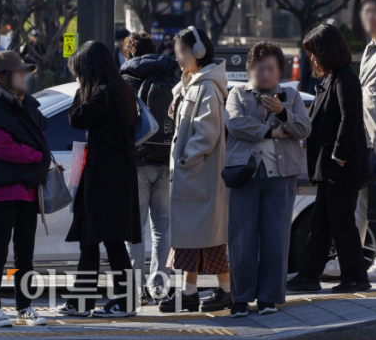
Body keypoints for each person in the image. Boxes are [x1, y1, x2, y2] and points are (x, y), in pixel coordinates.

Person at [55, 40, 141, 318]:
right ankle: (83, 301)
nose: (78, 78)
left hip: (105, 177)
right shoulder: (122, 90)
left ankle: (125, 302)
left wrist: (82, 88)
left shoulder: (104, 93)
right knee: (91, 239)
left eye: (79, 72)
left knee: (106, 239)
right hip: (111, 175)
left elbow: (75, 118)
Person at [225, 42, 311, 318]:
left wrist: (281, 112)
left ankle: (269, 298)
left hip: (281, 177)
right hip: (245, 174)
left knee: (276, 238)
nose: (265, 74)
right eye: (260, 68)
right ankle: (240, 298)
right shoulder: (237, 93)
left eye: (271, 69)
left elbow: (304, 128)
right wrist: (269, 132)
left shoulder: (290, 95)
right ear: (250, 68)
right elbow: (234, 122)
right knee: (241, 239)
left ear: (279, 71)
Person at [287, 24, 371, 294]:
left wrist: (339, 156)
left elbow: (350, 119)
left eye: (314, 53)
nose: (312, 58)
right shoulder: (331, 79)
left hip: (339, 167)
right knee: (322, 223)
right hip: (329, 167)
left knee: (341, 223)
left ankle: (355, 276)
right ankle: (309, 275)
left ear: (326, 51)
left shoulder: (345, 77)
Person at [323, 0, 376, 281]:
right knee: (360, 199)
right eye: (365, 11)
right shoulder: (370, 48)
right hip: (363, 138)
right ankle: (348, 259)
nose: (369, 16)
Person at [158, 27, 231, 314]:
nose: (177, 58)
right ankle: (197, 292)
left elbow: (206, 133)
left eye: (182, 52)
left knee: (201, 239)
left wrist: (188, 160)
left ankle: (210, 292)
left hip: (199, 176)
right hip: (195, 178)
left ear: (198, 52)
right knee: (196, 239)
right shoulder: (193, 84)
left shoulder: (206, 88)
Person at [0, 50, 51, 327]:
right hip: (3, 191)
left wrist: (37, 152)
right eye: (19, 72)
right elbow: (3, 148)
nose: (25, 76)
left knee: (25, 253)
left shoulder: (28, 105)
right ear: (3, 77)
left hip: (29, 189)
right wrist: (36, 155)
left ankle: (25, 307)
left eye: (25, 71)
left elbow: (40, 137)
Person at [120, 31, 178, 305]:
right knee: (162, 228)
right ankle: (160, 286)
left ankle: (135, 288)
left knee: (135, 229)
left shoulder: (126, 79)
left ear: (128, 53)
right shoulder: (171, 75)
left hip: (136, 163)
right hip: (166, 161)